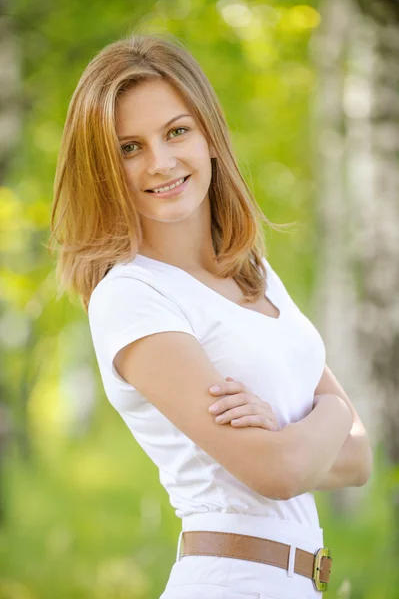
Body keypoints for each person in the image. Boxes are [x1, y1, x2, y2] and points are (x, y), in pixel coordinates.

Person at [49, 33, 372, 599]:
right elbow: (280, 472)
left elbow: (359, 456)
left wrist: (291, 431)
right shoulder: (132, 295)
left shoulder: (254, 273)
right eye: (129, 148)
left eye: (177, 132)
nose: (161, 163)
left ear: (210, 135)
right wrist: (327, 412)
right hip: (229, 581)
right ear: (103, 166)